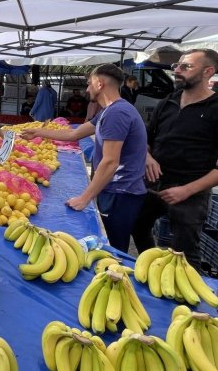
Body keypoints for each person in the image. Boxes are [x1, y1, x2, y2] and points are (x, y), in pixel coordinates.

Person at [132, 49, 218, 270]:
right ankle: (153, 269)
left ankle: (190, 298)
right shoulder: (169, 101)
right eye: (177, 65)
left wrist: (188, 190)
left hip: (190, 192)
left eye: (186, 67)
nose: (178, 70)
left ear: (208, 72)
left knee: (185, 251)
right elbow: (146, 138)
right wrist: (147, 157)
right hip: (154, 184)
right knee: (136, 226)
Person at [21, 64, 148, 251]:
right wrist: (38, 132)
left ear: (99, 83)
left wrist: (85, 198)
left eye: (88, 84)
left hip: (121, 192)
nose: (87, 89)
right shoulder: (109, 111)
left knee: (114, 248)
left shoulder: (116, 113)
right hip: (116, 190)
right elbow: (75, 134)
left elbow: (111, 161)